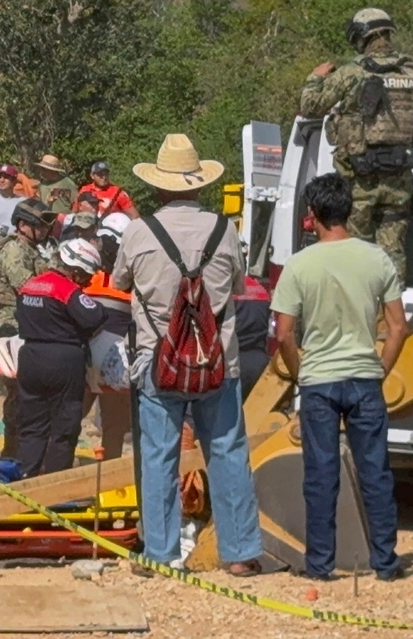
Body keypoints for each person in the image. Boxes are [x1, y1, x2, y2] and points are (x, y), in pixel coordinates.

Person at [113, 134, 263, 575]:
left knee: (159, 456)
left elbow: (121, 283)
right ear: (200, 184)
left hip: (158, 362)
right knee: (228, 451)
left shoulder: (139, 232)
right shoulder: (225, 229)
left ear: (158, 186)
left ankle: (160, 554)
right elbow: (238, 287)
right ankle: (239, 553)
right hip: (219, 362)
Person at [272, 173, 407, 582]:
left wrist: (301, 374)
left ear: (311, 215)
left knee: (321, 475)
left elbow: (284, 333)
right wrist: (379, 369)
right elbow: (399, 326)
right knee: (376, 473)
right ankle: (386, 563)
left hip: (319, 381)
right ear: (348, 210)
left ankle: (320, 565)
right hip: (365, 377)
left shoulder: (298, 265)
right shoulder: (377, 259)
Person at [299, 7, 413, 279]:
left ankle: (360, 314)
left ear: (361, 37)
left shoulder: (352, 73)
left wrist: (316, 77)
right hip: (398, 181)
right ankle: (388, 317)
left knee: (356, 251)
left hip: (359, 181)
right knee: (392, 253)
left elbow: (310, 106)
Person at [15, 239, 106, 476]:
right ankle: (57, 484)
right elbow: (95, 316)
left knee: (32, 426)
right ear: (75, 270)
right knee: (64, 426)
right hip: (63, 360)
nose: (87, 281)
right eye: (86, 275)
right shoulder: (66, 290)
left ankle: (25, 478)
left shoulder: (30, 285)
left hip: (29, 357)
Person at [0, 199, 57, 460]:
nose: (44, 231)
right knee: (19, 390)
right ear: (23, 225)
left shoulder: (32, 249)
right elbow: (27, 285)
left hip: (27, 322)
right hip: (12, 323)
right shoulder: (13, 250)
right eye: (39, 225)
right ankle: (14, 451)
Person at [83, 212, 135, 458]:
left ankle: (109, 470)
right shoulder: (86, 271)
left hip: (110, 360)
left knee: (114, 424)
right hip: (91, 358)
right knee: (74, 415)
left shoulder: (131, 279)